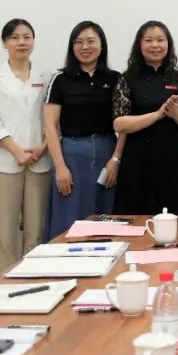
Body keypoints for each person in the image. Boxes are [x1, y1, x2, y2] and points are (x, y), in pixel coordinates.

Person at [0, 19, 51, 272]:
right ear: (5, 43)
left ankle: (33, 279)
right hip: (5, 161)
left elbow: (52, 119)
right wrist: (16, 151)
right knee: (5, 232)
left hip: (39, 161)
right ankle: (5, 284)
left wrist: (43, 147)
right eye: (14, 37)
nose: (22, 42)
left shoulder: (46, 76)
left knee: (35, 230)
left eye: (27, 37)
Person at [44, 21, 123, 239]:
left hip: (107, 153)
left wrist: (116, 160)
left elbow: (124, 123)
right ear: (71, 47)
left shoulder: (115, 79)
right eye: (78, 42)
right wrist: (60, 167)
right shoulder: (60, 80)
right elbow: (50, 125)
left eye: (91, 41)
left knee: (106, 217)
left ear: (101, 45)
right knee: (69, 220)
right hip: (72, 156)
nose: (85, 47)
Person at [113, 21, 178, 214]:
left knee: (177, 213)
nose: (155, 45)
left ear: (168, 44)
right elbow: (119, 123)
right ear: (139, 45)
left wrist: (177, 115)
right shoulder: (127, 78)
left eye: (160, 40)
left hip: (173, 158)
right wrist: (157, 115)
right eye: (148, 40)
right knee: (136, 213)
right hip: (137, 159)